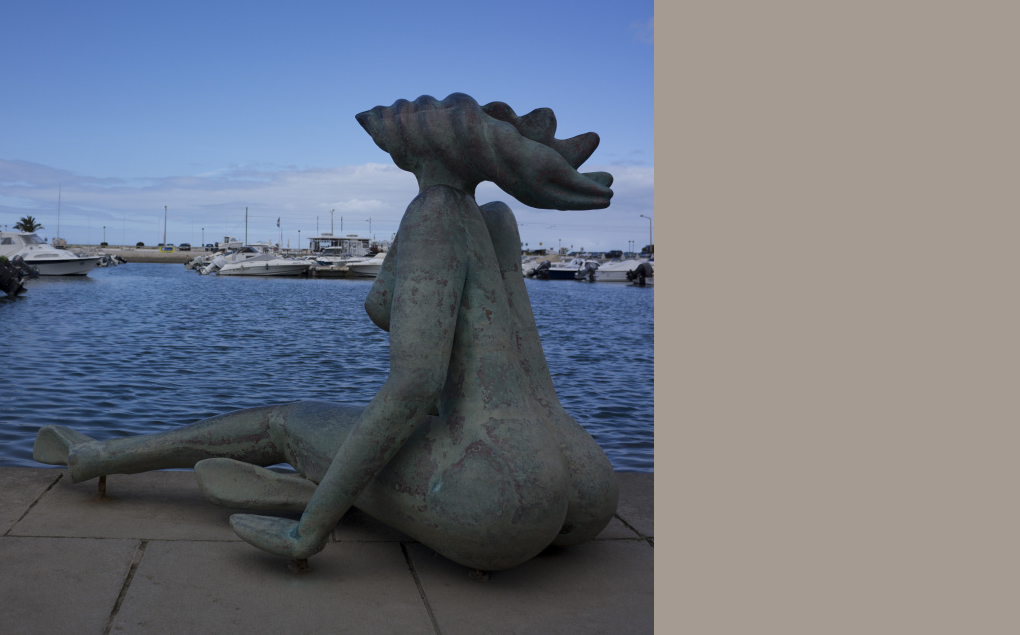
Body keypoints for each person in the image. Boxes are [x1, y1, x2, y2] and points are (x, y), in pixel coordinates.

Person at [34, 93, 621, 571]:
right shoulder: (493, 219)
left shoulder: (434, 212)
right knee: (394, 434)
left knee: (283, 421)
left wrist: (311, 531)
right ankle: (332, 488)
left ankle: (97, 458)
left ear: (423, 145)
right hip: (578, 483)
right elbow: (519, 357)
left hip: (495, 501)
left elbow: (415, 383)